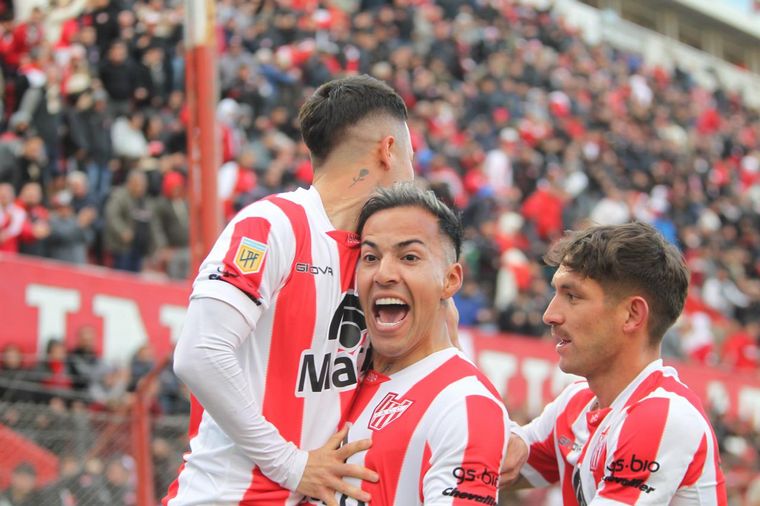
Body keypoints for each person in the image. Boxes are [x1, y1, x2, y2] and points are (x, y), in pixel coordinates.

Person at [165, 74, 416, 505]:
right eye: (413, 156)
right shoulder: (272, 225)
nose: (415, 173)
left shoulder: (376, 259)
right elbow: (199, 354)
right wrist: (291, 465)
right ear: (388, 150)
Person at [504, 222, 727, 505]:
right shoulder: (577, 403)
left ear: (632, 315)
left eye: (572, 296)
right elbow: (492, 464)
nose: (549, 315)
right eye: (555, 293)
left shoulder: (662, 415)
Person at [315, 184, 509, 505]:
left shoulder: (464, 403)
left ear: (450, 280)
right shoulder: (332, 374)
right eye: (370, 257)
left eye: (409, 257)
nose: (384, 274)